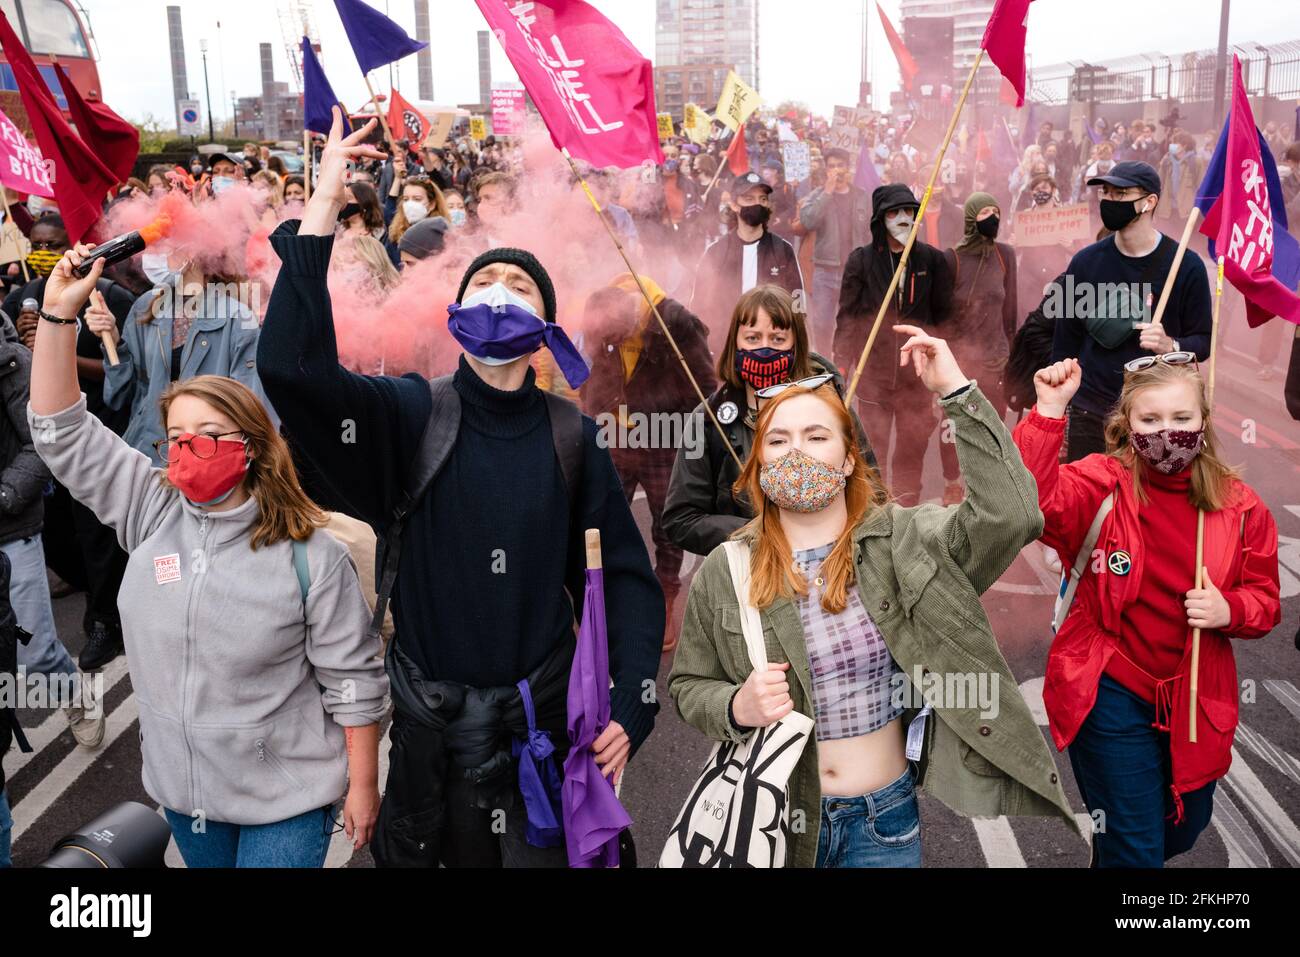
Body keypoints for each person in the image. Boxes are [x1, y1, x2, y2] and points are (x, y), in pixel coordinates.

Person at [256, 110, 662, 867]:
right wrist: (320, 209)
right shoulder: (410, 412)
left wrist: (634, 702)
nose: (501, 292)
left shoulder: (571, 437)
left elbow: (631, 583)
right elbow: (291, 371)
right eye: (486, 282)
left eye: (519, 286)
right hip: (426, 747)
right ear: (457, 311)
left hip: (537, 739)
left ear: (547, 326)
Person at [29, 245, 387, 867]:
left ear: (252, 445)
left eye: (209, 437)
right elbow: (63, 432)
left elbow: (353, 683)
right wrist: (59, 319)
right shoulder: (151, 507)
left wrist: (361, 785)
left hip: (289, 800)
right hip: (185, 795)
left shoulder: (311, 554)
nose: (187, 451)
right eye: (175, 438)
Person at [668, 333, 1074, 868]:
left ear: (846, 461)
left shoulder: (904, 543)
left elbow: (1012, 516)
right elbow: (687, 683)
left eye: (816, 436)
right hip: (775, 825)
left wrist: (954, 389)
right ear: (759, 466)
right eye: (778, 440)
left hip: (883, 825)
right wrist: (734, 706)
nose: (796, 451)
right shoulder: (727, 569)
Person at [1014, 354, 1280, 867]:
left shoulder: (1241, 506)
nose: (1167, 433)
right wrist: (1049, 411)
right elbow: (1031, 503)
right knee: (1138, 851)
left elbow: (1266, 601)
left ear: (1203, 419)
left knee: (1180, 831)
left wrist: (1232, 608)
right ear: (1126, 426)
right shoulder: (1100, 485)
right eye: (1150, 420)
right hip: (1110, 689)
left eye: (1181, 420)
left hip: (1195, 697)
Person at [3, 214, 135, 674]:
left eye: (53, 243)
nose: (43, 251)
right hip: (42, 433)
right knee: (58, 529)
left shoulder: (110, 296)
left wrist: (57, 348)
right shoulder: (21, 296)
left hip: (95, 424)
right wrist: (27, 352)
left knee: (96, 530)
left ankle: (104, 619)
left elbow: (119, 371)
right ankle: (86, 584)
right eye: (36, 243)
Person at [663, 284, 876, 558]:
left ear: (795, 344)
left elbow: (872, 494)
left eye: (777, 339)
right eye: (752, 338)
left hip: (833, 564)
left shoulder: (833, 409)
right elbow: (681, 519)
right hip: (748, 576)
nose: (764, 349)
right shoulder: (707, 421)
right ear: (735, 343)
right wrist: (756, 532)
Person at [579, 276, 717, 654]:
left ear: (635, 320)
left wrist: (693, 441)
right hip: (613, 436)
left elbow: (706, 388)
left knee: (668, 522)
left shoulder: (676, 323)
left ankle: (665, 597)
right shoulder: (606, 310)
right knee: (600, 518)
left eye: (620, 339)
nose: (615, 346)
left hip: (664, 439)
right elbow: (591, 373)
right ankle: (601, 600)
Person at [1050, 161, 1211, 461]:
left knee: (1143, 505)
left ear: (1149, 202)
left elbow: (1203, 341)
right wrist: (1055, 413)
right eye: (1106, 193)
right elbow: (1064, 344)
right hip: (1091, 411)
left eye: (1121, 194)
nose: (1110, 201)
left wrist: (1171, 346)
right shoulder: (1085, 263)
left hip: (1154, 417)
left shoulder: (1186, 266)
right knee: (1089, 505)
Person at [0, 312, 101, 746]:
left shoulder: (11, 363)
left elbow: (42, 441)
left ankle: (74, 692)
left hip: (10, 529)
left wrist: (5, 495)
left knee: (33, 654)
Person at [834, 183, 954, 507]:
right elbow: (847, 317)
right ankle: (874, 517)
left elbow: (945, 321)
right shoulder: (861, 261)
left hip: (917, 379)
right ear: (879, 219)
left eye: (908, 211)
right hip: (873, 377)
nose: (902, 218)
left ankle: (906, 516)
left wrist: (943, 374)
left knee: (911, 454)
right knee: (871, 453)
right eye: (893, 212)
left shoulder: (933, 260)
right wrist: (842, 367)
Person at [92, 254, 274, 466]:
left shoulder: (239, 319)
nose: (154, 253)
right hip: (146, 457)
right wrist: (113, 342)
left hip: (207, 463)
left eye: (168, 242)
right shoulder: (147, 306)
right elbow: (119, 395)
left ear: (194, 250)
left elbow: (252, 411)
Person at [938, 193, 1017, 505]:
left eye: (995, 211)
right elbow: (942, 314)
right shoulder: (951, 258)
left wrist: (1012, 353)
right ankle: (951, 481)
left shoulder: (1005, 255)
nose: (991, 217)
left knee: (991, 423)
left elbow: (1009, 306)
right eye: (984, 211)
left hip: (995, 356)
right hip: (959, 357)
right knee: (952, 424)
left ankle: (983, 482)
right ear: (971, 217)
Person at [690, 171, 803, 353]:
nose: (757, 204)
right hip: (725, 347)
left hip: (770, 350)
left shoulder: (783, 250)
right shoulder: (716, 252)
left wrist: (794, 346)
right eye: (749, 199)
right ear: (734, 205)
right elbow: (699, 305)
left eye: (763, 199)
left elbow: (798, 304)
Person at [796, 148, 872, 353]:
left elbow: (869, 232)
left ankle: (844, 366)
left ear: (848, 168)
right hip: (825, 271)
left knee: (849, 323)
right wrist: (827, 193)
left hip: (854, 271)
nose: (837, 170)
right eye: (832, 166)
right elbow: (808, 221)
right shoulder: (818, 195)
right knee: (821, 324)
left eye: (840, 165)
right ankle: (823, 362)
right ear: (826, 170)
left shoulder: (862, 196)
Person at [386, 177, 450, 266]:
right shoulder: (395, 235)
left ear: (432, 204)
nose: (410, 204)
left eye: (417, 199)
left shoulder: (442, 235)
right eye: (406, 199)